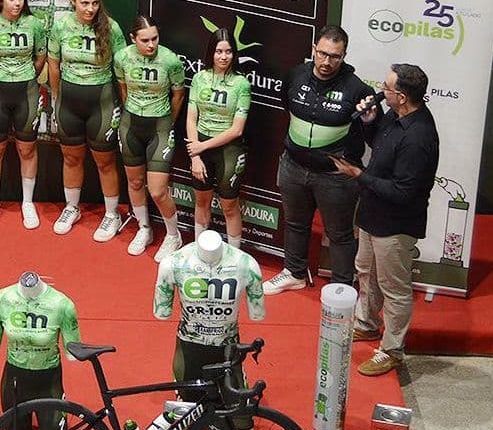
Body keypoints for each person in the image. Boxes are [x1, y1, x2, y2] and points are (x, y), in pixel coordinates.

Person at [332, 63, 440, 377]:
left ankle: (392, 350)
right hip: (372, 214)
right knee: (366, 271)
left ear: (402, 97)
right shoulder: (394, 115)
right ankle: (367, 323)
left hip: (395, 224)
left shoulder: (419, 137)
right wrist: (369, 121)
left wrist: (358, 174)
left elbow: (403, 192)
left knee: (394, 288)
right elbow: (379, 144)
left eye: (387, 87)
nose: (381, 90)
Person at [264, 25, 376, 295]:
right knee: (295, 223)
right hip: (293, 166)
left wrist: (370, 121)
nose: (327, 62)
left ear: (344, 56)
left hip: (335, 176)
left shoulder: (358, 90)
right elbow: (286, 106)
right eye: (322, 53)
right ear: (313, 49)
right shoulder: (295, 75)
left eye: (335, 56)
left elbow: (375, 138)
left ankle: (342, 287)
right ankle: (294, 273)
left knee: (339, 234)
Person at [45, 0, 127, 238]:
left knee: (105, 161)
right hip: (69, 102)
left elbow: (123, 70)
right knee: (71, 158)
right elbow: (53, 65)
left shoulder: (111, 28)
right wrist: (57, 99)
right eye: (85, 3)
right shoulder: (61, 26)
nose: (90, 9)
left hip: (101, 103)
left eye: (95, 3)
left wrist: (125, 106)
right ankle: (72, 208)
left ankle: (112, 214)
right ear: (72, 0)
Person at [153, 230, 265, 391]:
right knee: (189, 401)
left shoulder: (246, 264)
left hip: (228, 344)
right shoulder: (173, 263)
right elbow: (162, 311)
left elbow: (257, 313)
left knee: (237, 404)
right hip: (189, 344)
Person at [113, 15, 187, 260]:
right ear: (133, 39)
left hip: (160, 126)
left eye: (154, 38)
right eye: (145, 40)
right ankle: (144, 229)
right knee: (135, 183)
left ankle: (173, 235)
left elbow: (178, 95)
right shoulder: (122, 58)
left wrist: (167, 123)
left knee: (157, 191)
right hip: (131, 124)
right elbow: (123, 89)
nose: (151, 44)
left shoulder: (170, 60)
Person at [0, 0, 48, 228]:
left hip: (26, 90)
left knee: (27, 149)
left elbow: (40, 58)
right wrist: (0, 74)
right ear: (1, 1)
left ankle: (27, 202)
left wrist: (24, 74)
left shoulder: (34, 24)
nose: (17, 3)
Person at [0, 271, 80, 430]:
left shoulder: (62, 304)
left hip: (48, 379)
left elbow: (73, 348)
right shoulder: (2, 299)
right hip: (14, 377)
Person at [185, 28, 251, 248]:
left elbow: (237, 130)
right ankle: (200, 251)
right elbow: (191, 119)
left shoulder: (241, 84)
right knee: (201, 201)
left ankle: (234, 257)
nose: (224, 57)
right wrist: (195, 156)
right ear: (211, 53)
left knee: (229, 206)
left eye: (228, 52)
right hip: (200, 147)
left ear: (234, 54)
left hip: (228, 149)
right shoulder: (199, 78)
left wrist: (201, 147)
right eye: (219, 51)